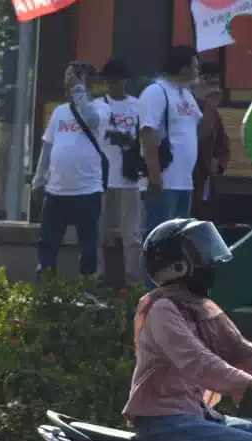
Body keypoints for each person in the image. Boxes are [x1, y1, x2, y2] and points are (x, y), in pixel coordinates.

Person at [125, 218, 252, 441]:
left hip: (196, 414)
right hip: (162, 420)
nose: (211, 261)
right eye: (202, 254)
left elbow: (241, 350)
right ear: (178, 264)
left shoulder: (199, 306)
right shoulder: (163, 308)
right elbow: (199, 361)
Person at [34, 61, 107, 277]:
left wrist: (79, 90)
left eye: (74, 78)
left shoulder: (101, 107)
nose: (68, 82)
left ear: (89, 82)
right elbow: (47, 147)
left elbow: (92, 119)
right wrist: (39, 181)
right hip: (56, 192)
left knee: (89, 245)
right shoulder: (59, 112)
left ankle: (86, 286)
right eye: (67, 78)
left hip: (87, 191)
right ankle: (45, 286)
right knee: (48, 244)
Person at [138, 46, 203, 255]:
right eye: (194, 65)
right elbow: (147, 133)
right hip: (164, 180)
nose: (198, 70)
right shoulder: (157, 92)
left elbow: (196, 128)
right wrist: (154, 175)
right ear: (182, 68)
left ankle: (173, 286)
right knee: (158, 238)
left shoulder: (185, 93)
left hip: (184, 180)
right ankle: (150, 285)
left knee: (178, 241)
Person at [95, 57, 145, 285]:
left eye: (121, 80)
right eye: (113, 80)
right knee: (99, 231)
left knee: (132, 234)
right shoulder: (97, 106)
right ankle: (98, 276)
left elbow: (146, 136)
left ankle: (133, 279)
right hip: (102, 176)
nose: (118, 84)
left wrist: (130, 141)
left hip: (130, 177)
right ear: (106, 81)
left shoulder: (138, 105)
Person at [192, 64, 231, 221]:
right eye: (211, 84)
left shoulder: (214, 113)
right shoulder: (190, 107)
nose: (216, 90)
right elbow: (198, 136)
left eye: (217, 84)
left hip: (206, 175)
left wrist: (218, 162)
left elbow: (223, 143)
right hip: (189, 173)